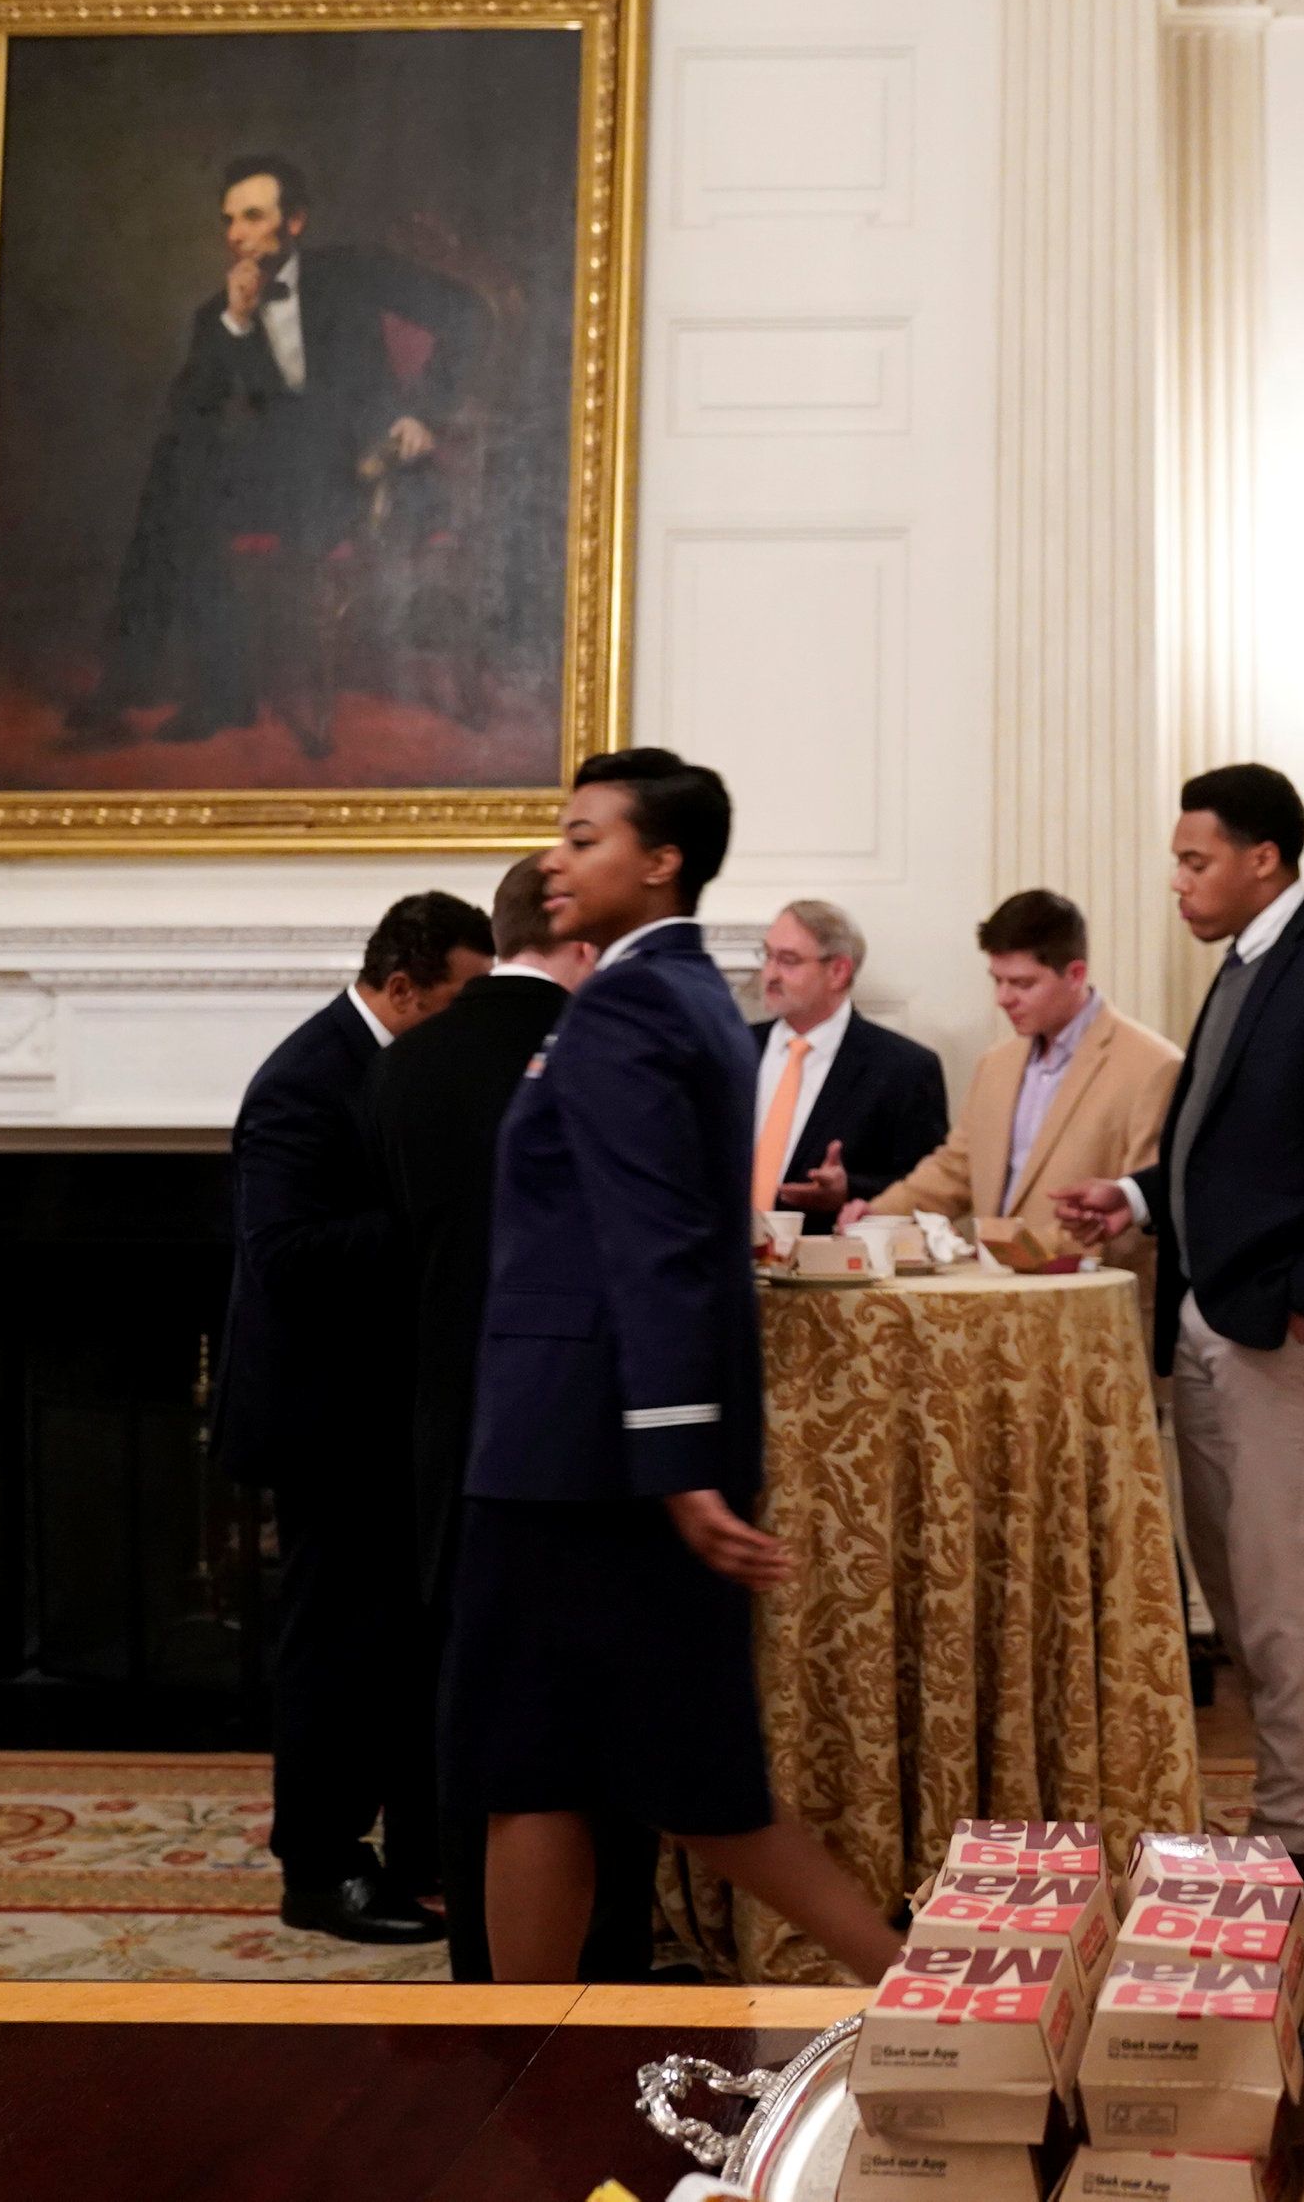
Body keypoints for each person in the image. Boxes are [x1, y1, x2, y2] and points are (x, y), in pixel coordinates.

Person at [448, 748, 900, 1984]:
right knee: (578, 1770)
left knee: (615, 1773)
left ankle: (941, 2005)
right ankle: (522, 2059)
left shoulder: (631, 1008)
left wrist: (681, 1457)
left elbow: (656, 1247)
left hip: (579, 1461)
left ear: (660, 863)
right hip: (599, 1450)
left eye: (585, 836)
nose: (558, 855)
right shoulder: (686, 994)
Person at [1052, 767, 1304, 1898]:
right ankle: (1300, 1806)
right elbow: (1234, 1154)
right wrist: (1131, 1199)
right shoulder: (1243, 966)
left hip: (1284, 1333)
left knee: (1283, 1595)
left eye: (1193, 858)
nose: (1176, 880)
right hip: (1215, 1317)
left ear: (1262, 858)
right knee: (1239, 1593)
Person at [370, 855, 650, 1983]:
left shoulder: (404, 1065)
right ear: (581, 942)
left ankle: (482, 1972)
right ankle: (607, 1963)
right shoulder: (602, 1066)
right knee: (588, 1734)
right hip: (577, 1429)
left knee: (470, 1709)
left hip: (444, 1426)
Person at [216, 887, 494, 1947]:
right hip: (321, 1416)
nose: (473, 1020)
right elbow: (282, 1254)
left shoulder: (409, 1066)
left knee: (407, 1642)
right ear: (399, 987)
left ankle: (420, 1851)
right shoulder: (304, 1078)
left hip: (393, 1411)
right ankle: (320, 1868)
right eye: (461, 997)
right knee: (334, 1649)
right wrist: (436, 1222)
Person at [82, 154, 484, 752]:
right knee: (180, 467)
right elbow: (189, 408)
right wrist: (236, 323)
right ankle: (203, 689)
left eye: (252, 216)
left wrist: (421, 410)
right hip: (281, 479)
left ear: (294, 222)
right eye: (228, 221)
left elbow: (469, 315)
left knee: (182, 481)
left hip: (365, 467)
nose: (236, 235)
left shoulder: (355, 271)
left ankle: (155, 681)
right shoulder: (217, 313)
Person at [847, 890, 1182, 1302]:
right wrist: (877, 1217)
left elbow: (1142, 1210)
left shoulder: (1153, 1066)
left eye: (1022, 983)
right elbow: (956, 1168)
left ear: (1075, 975)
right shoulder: (996, 1063)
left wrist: (1013, 1256)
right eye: (998, 980)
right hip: (996, 1307)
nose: (1003, 998)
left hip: (1089, 1311)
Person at [750, 898, 949, 1231]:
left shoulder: (904, 1069)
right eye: (767, 956)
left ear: (838, 971)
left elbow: (927, 1184)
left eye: (788, 961)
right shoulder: (732, 1048)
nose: (769, 974)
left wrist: (847, 1190)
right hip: (721, 1264)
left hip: (836, 1265)